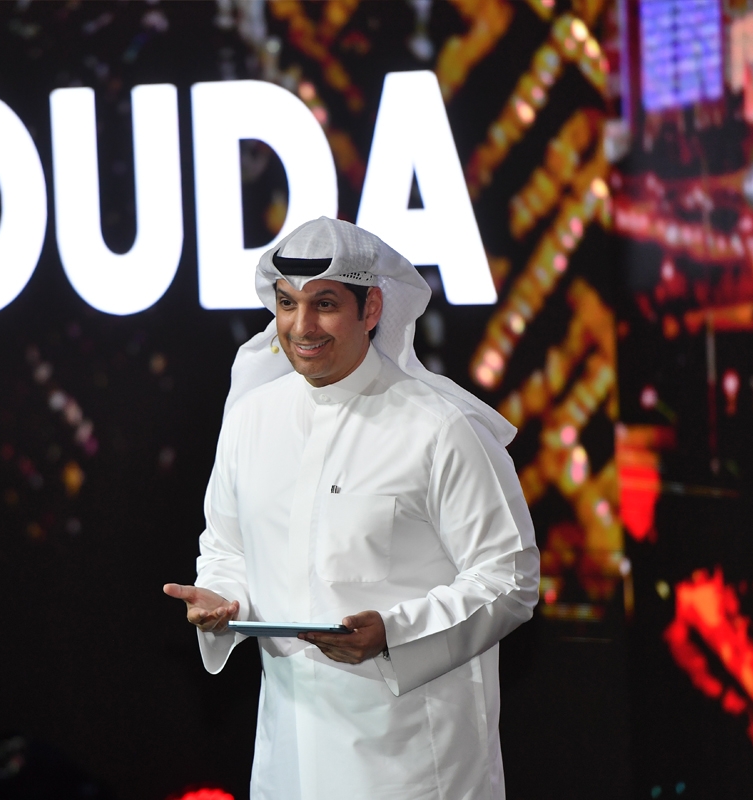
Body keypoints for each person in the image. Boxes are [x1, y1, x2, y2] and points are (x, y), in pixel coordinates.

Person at [164, 217, 539, 799]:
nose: (301, 327)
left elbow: (510, 578)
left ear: (372, 310)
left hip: (415, 768)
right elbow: (228, 547)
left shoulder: (439, 428)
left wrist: (394, 634)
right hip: (288, 762)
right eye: (287, 304)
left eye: (325, 304)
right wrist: (221, 597)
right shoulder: (250, 421)